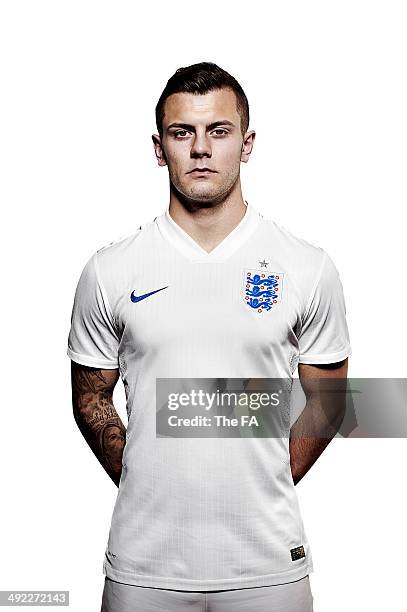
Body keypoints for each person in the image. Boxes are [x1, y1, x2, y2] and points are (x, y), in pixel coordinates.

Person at [67, 61, 351, 612]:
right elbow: (90, 394)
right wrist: (143, 471)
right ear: (159, 148)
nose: (201, 149)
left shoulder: (305, 266)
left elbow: (330, 398)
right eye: (182, 133)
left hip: (269, 567)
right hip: (143, 568)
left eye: (217, 132)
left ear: (246, 144)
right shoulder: (110, 270)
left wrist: (266, 472)